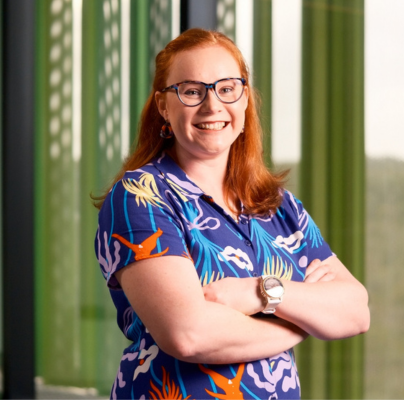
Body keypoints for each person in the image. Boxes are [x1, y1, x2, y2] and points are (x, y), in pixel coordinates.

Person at [94, 28, 369, 400]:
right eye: (192, 91)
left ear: (244, 100)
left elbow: (355, 311)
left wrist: (261, 293)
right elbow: (188, 334)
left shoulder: (277, 205)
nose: (212, 106)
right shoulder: (141, 196)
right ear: (163, 106)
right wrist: (299, 324)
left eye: (227, 88)